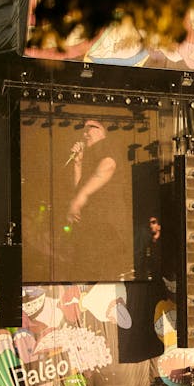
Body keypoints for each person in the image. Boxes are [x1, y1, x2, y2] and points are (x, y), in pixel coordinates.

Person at [64, 118, 130, 277]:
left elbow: (108, 165)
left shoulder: (106, 145)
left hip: (107, 227)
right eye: (83, 129)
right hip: (93, 228)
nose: (85, 132)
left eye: (90, 128)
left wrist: (80, 198)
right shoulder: (90, 157)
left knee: (102, 274)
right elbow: (79, 187)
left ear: (102, 132)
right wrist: (77, 163)